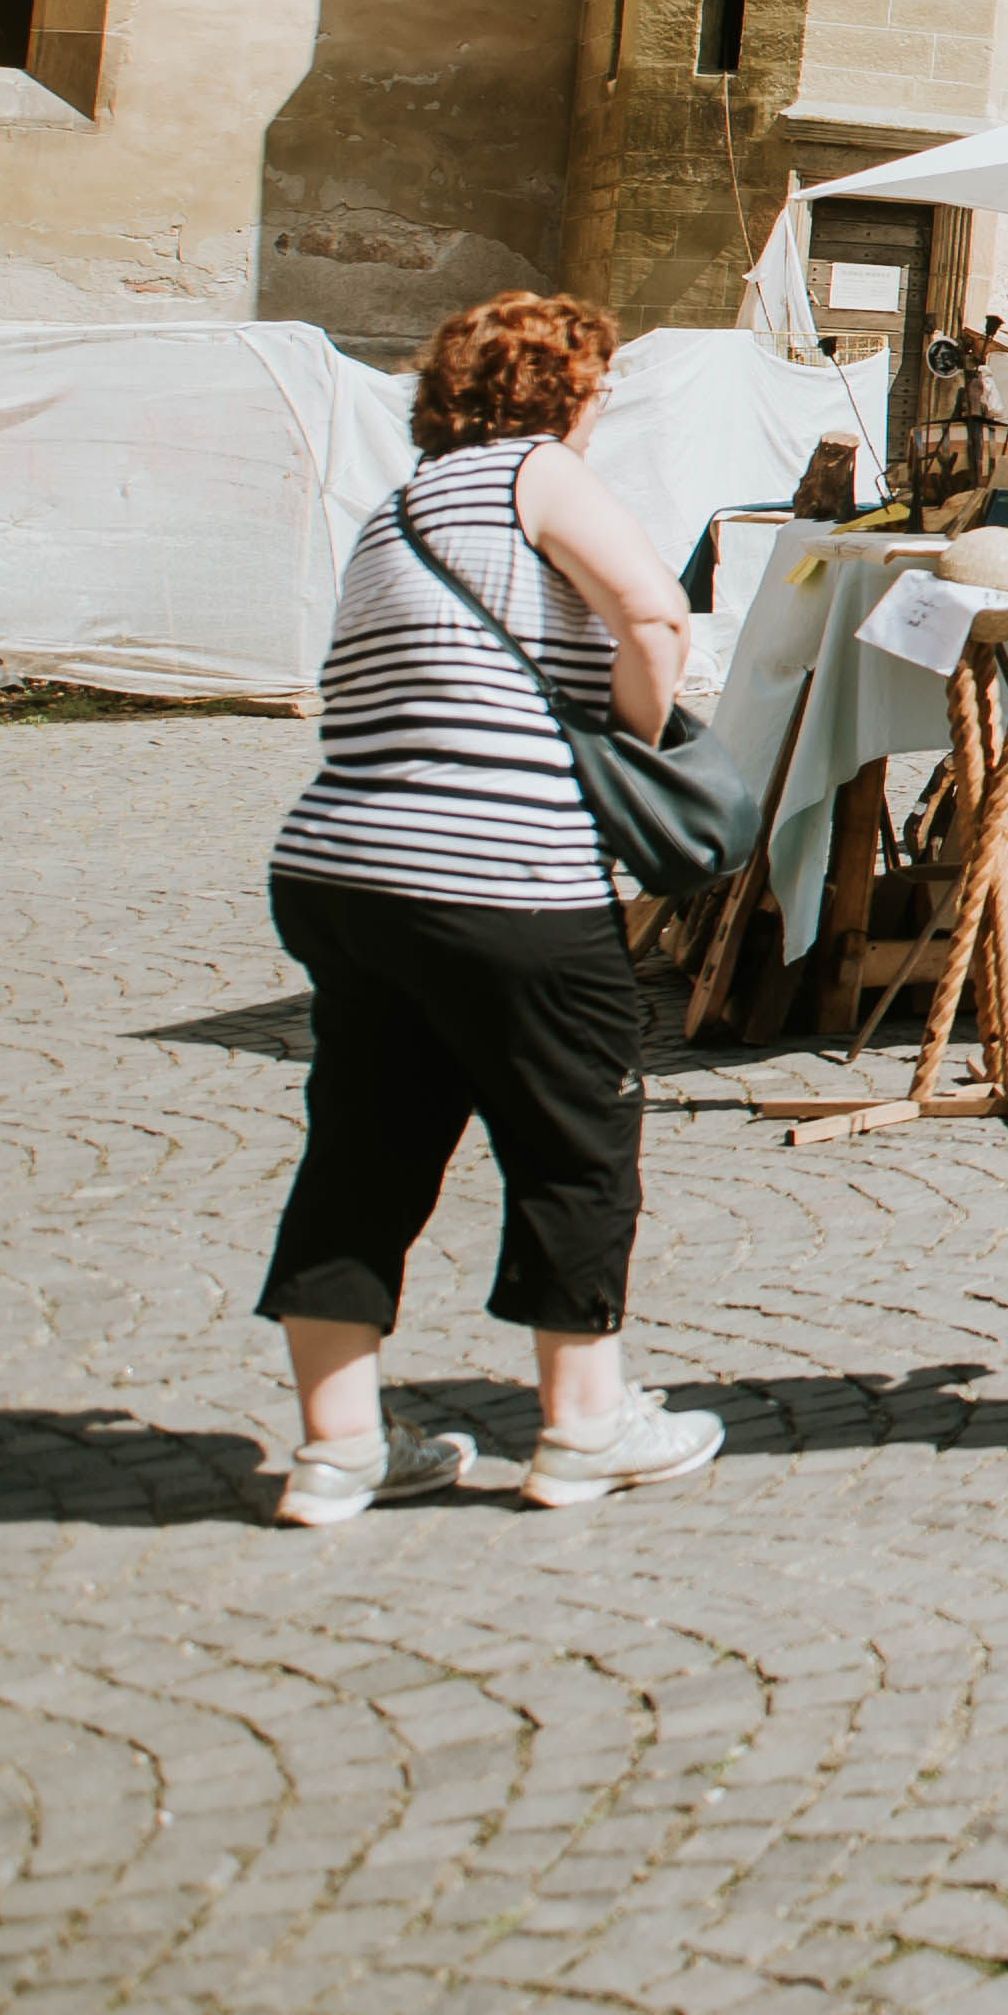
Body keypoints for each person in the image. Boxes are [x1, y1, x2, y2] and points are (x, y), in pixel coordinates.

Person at [256, 292, 721, 1523]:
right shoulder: (535, 475)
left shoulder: (399, 509)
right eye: (596, 386)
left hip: (339, 867)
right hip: (498, 869)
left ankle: (338, 1444)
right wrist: (637, 739)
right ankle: (582, 1425)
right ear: (562, 390)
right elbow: (654, 611)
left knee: (364, 1143)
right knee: (575, 1132)